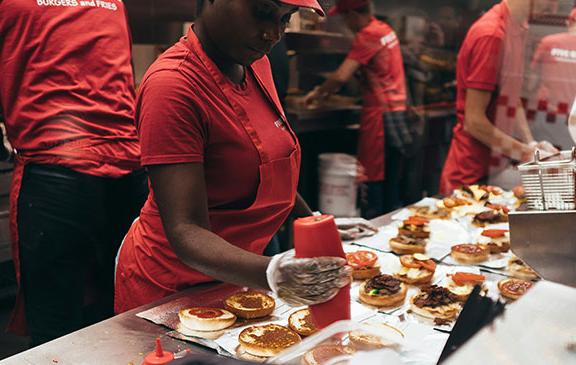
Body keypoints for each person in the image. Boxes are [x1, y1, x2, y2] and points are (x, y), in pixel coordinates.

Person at [114, 0, 372, 313]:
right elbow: (186, 231)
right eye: (262, 12)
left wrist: (313, 221)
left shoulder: (255, 65)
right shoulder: (173, 86)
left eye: (285, 19)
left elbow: (273, 172)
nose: (273, 34)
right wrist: (271, 272)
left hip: (237, 281)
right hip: (171, 292)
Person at [0, 0, 148, 346]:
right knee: (128, 323)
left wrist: (2, 150)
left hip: (57, 175)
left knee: (56, 337)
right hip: (132, 171)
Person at [304, 0, 412, 219]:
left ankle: (376, 230)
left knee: (374, 180)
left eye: (344, 18)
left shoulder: (368, 35)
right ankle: (389, 228)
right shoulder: (384, 29)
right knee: (391, 178)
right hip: (396, 111)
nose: (345, 23)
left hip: (381, 116)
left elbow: (340, 76)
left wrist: (316, 94)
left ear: (352, 14)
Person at [439, 0, 560, 194]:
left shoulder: (519, 28)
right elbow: (474, 122)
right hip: (470, 177)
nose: (553, 9)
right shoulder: (492, 35)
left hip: (494, 170)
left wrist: (530, 142)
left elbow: (511, 95)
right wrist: (529, 154)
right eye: (551, 1)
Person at [527, 6, 576, 149]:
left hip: (547, 114)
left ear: (568, 23)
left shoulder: (548, 42)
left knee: (543, 159)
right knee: (570, 164)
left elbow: (531, 82)